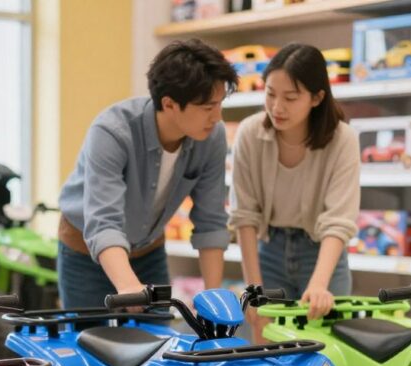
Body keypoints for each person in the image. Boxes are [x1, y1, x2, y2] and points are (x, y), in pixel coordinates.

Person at [57, 39, 237, 308]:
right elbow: (104, 223)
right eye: (208, 107)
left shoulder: (212, 137)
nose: (217, 117)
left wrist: (215, 300)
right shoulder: (111, 132)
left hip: (148, 249)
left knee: (158, 341)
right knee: (90, 341)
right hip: (85, 250)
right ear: (170, 104)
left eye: (220, 104)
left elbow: (211, 221)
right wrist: (128, 286)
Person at [228, 43, 361, 339]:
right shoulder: (249, 134)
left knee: (327, 355)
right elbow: (244, 217)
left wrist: (319, 283)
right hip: (269, 252)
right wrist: (253, 289)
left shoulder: (343, 140)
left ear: (317, 97)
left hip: (323, 254)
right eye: (270, 94)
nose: (277, 107)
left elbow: (338, 220)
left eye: (290, 97)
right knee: (267, 351)